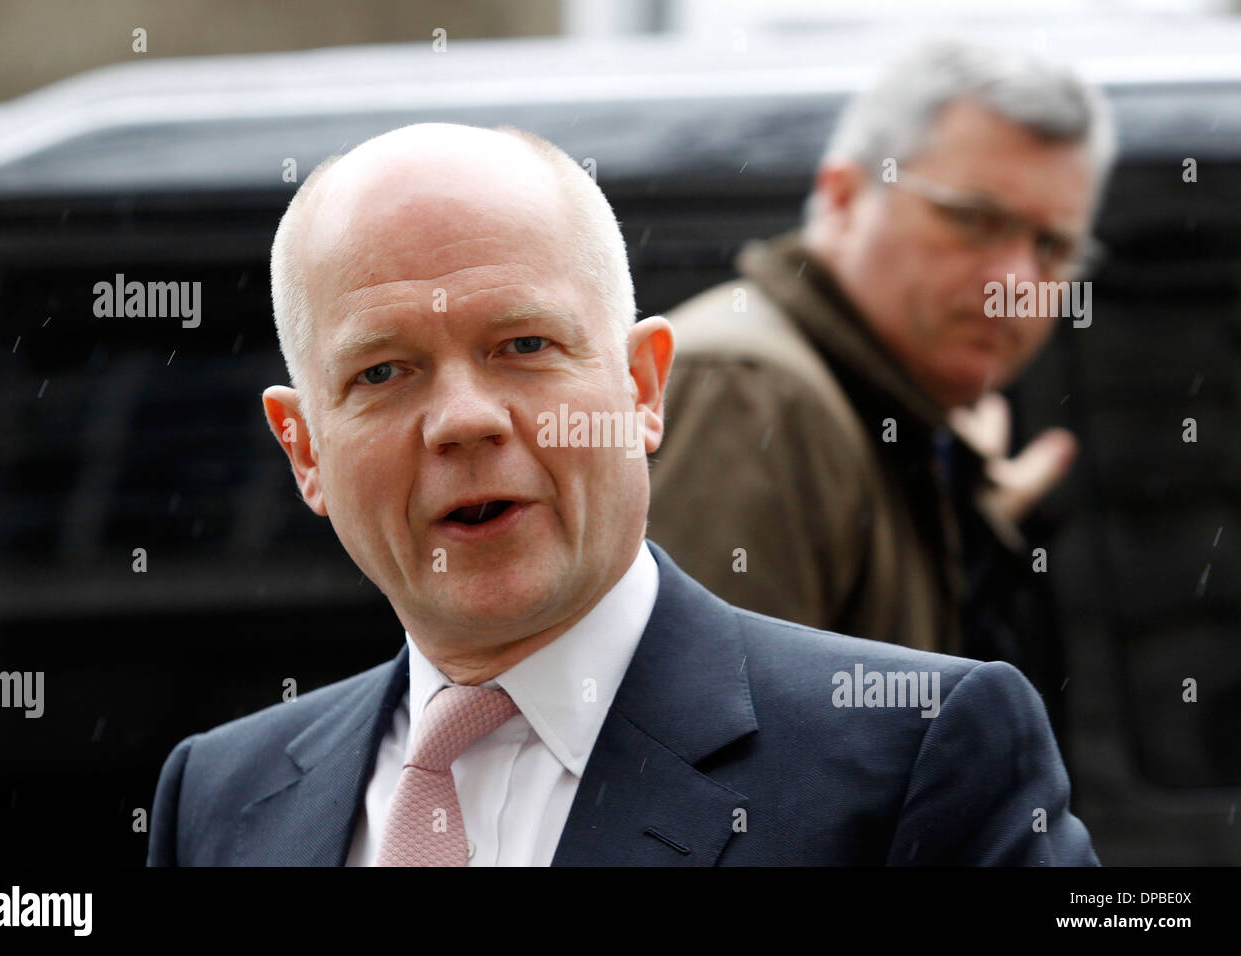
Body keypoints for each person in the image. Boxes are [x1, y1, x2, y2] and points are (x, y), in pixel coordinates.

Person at [146, 121, 1098, 866]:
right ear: (304, 448)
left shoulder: (916, 758)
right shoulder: (222, 797)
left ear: (643, 388)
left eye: (523, 346)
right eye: (384, 373)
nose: (463, 421)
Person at [647, 39, 1116, 697]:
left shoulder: (888, 417)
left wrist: (969, 521)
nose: (1016, 281)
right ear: (842, 199)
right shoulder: (753, 394)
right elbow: (702, 757)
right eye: (974, 219)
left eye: (1052, 246)